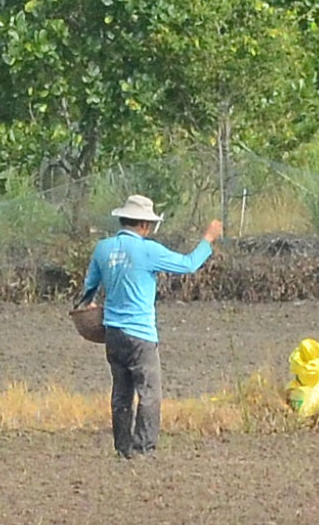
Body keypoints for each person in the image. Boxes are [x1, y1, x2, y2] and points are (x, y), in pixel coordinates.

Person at [79, 196, 219, 458]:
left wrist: (87, 304)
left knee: (121, 393)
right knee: (149, 392)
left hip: (112, 333)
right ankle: (143, 448)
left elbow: (90, 288)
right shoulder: (148, 250)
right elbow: (188, 264)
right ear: (144, 224)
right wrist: (208, 239)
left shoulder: (103, 248)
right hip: (140, 334)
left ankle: (123, 449)